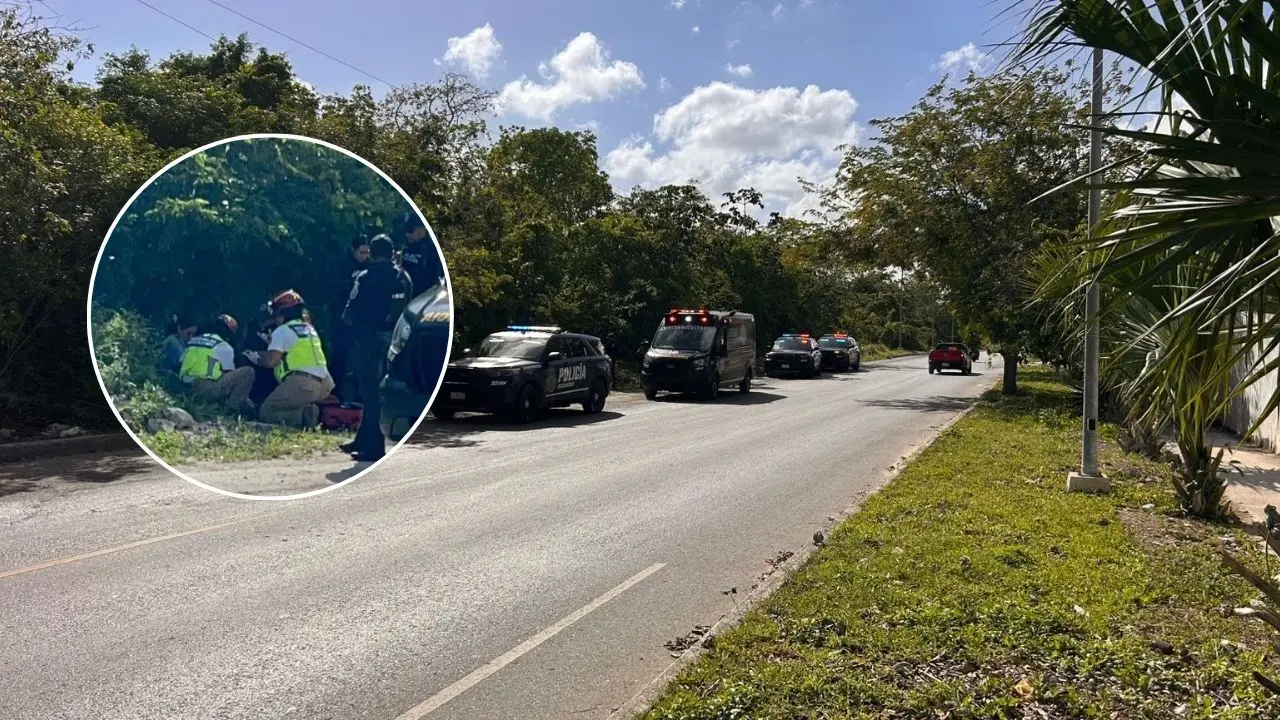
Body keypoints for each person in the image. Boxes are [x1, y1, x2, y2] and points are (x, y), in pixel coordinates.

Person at [341, 233, 413, 462]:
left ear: (371, 253)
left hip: (368, 340)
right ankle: (363, 438)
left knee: (369, 392)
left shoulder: (364, 276)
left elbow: (349, 313)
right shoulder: (403, 277)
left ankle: (374, 446)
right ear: (392, 253)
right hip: (395, 341)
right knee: (380, 391)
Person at [255, 290, 335, 428]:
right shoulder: (310, 329)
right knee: (292, 401)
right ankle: (309, 411)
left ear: (282, 313)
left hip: (303, 384)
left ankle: (302, 416)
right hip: (325, 384)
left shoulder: (282, 331)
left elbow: (271, 362)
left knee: (266, 412)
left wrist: (257, 358)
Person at [178, 314, 256, 414]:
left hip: (185, 386)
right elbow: (230, 375)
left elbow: (181, 361)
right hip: (205, 389)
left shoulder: (194, 340)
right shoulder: (224, 346)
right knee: (248, 372)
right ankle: (230, 410)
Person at [330, 235, 371, 401]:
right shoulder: (343, 266)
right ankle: (335, 391)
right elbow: (336, 290)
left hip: (362, 321)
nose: (365, 255)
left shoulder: (370, 266)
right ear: (353, 251)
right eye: (361, 252)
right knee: (340, 355)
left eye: (367, 252)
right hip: (342, 318)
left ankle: (359, 394)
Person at [397, 212, 444, 295]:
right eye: (406, 231)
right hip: (407, 294)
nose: (407, 234)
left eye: (411, 231)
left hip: (424, 295)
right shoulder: (407, 247)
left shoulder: (432, 249)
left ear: (422, 229)